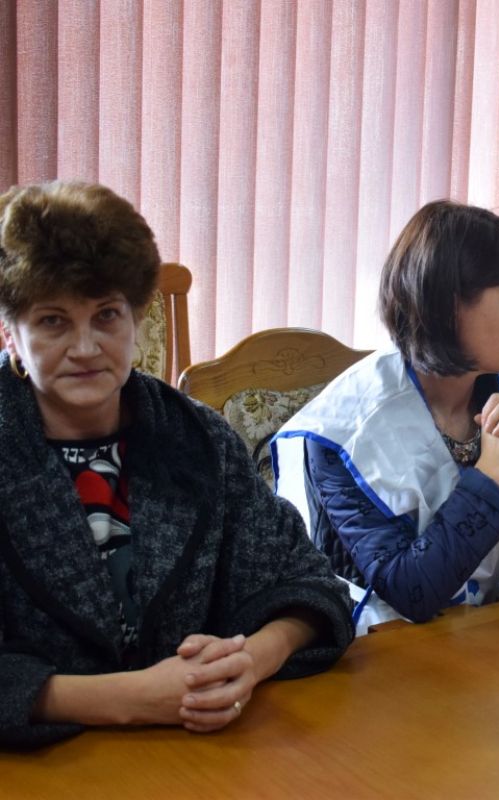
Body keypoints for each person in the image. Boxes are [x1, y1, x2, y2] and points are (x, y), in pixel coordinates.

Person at [0, 182, 353, 748]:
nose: (86, 347)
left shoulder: (197, 436)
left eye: (106, 315)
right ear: (10, 334)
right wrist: (128, 699)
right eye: (53, 321)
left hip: (201, 753)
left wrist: (252, 660)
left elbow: (309, 583)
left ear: (137, 318)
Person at [273, 201, 499, 630]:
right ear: (448, 309)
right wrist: (491, 474)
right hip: (391, 652)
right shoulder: (343, 433)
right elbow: (412, 592)